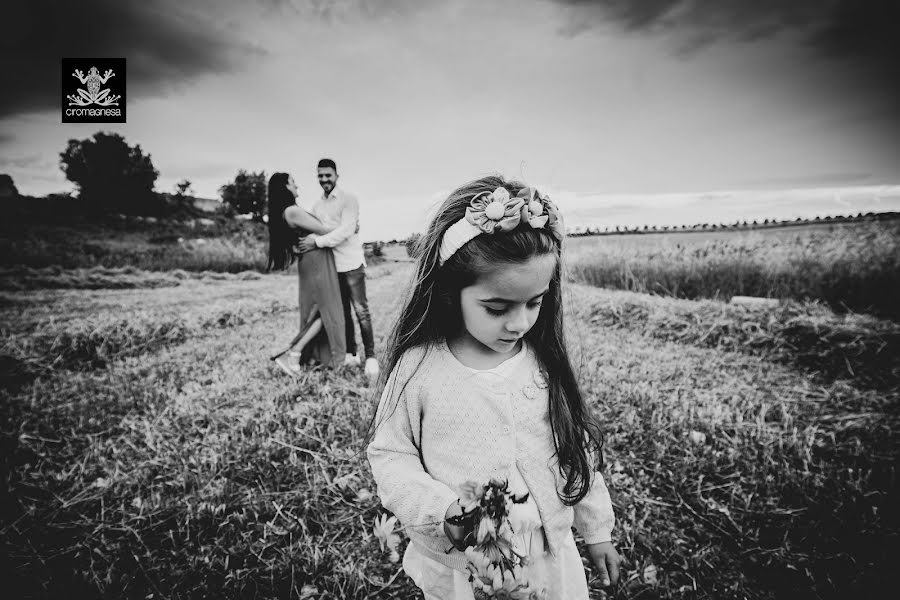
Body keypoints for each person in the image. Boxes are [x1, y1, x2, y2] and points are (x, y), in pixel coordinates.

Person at [366, 175, 621, 599]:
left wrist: (596, 530)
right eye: (497, 307)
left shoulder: (542, 361)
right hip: (466, 566)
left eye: (535, 302)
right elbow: (391, 456)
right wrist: (442, 512)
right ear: (451, 293)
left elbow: (574, 450)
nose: (520, 323)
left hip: (544, 558)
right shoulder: (419, 370)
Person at [296, 158, 379, 381]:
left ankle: (371, 357)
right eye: (320, 176)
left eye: (328, 175)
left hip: (351, 264)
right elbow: (325, 229)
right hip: (331, 268)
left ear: (336, 175)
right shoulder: (317, 206)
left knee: (361, 310)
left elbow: (347, 230)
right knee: (342, 313)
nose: (324, 179)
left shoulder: (348, 199)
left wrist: (319, 241)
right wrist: (333, 231)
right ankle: (352, 353)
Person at [266, 172, 347, 372]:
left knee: (320, 310)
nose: (297, 187)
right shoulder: (292, 211)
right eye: (293, 183)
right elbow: (324, 230)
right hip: (316, 262)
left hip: (314, 261)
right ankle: (293, 352)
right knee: (325, 309)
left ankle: (305, 354)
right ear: (284, 187)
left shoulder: (288, 212)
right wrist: (348, 227)